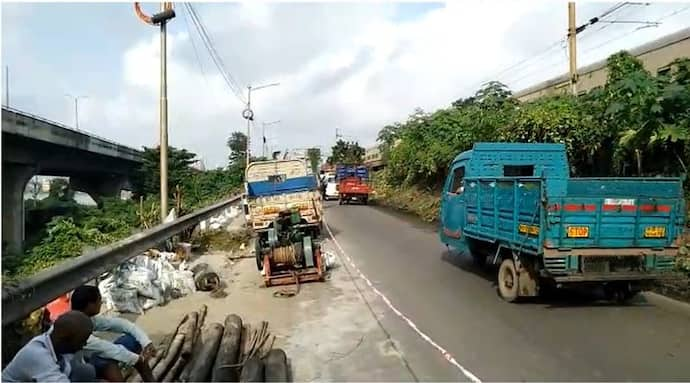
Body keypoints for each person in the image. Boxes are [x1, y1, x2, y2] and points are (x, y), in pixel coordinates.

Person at [70, 285, 156, 382]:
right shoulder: (76, 329)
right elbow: (108, 349)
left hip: (89, 362)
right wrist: (139, 359)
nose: (101, 302)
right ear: (90, 305)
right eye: (99, 300)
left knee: (134, 340)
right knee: (107, 362)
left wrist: (146, 342)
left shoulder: (88, 319)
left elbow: (122, 324)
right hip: (80, 373)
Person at [2, 310, 96, 382]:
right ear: (64, 340)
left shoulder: (56, 339)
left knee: (86, 371)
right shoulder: (37, 355)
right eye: (81, 341)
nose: (84, 344)